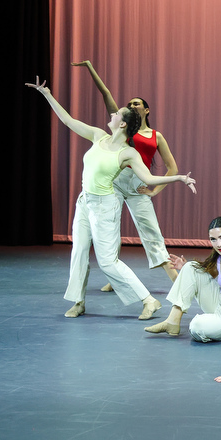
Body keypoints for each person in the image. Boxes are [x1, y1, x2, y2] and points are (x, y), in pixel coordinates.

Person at [26, 76, 196, 319]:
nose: (112, 115)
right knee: (79, 251)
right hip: (84, 202)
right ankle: (78, 301)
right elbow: (67, 120)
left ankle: (148, 300)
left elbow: (148, 179)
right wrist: (47, 95)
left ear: (123, 124)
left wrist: (177, 178)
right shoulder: (98, 136)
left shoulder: (128, 153)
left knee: (107, 262)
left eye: (117, 115)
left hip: (105, 207)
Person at [72, 60, 181, 290]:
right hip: (116, 181)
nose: (132, 105)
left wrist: (153, 192)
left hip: (138, 184)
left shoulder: (155, 136)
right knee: (111, 228)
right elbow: (105, 93)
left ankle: (177, 281)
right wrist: (91, 67)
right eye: (130, 103)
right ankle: (116, 278)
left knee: (151, 230)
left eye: (137, 103)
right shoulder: (125, 129)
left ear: (147, 109)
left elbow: (173, 168)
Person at [144, 217, 221, 341]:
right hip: (220, 303)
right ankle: (172, 322)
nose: (218, 244)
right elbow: (210, 274)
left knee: (197, 326)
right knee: (190, 267)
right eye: (213, 239)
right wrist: (185, 270)